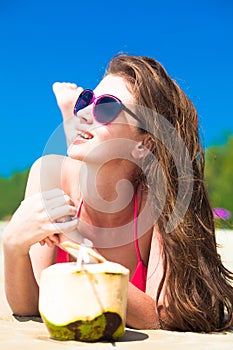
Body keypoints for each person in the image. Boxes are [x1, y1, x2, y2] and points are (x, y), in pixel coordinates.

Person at [3, 54, 233, 332]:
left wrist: (78, 247)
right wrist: (13, 246)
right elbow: (35, 306)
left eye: (107, 108)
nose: (85, 112)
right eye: (85, 101)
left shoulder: (156, 198)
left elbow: (161, 316)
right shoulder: (49, 174)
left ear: (144, 144)